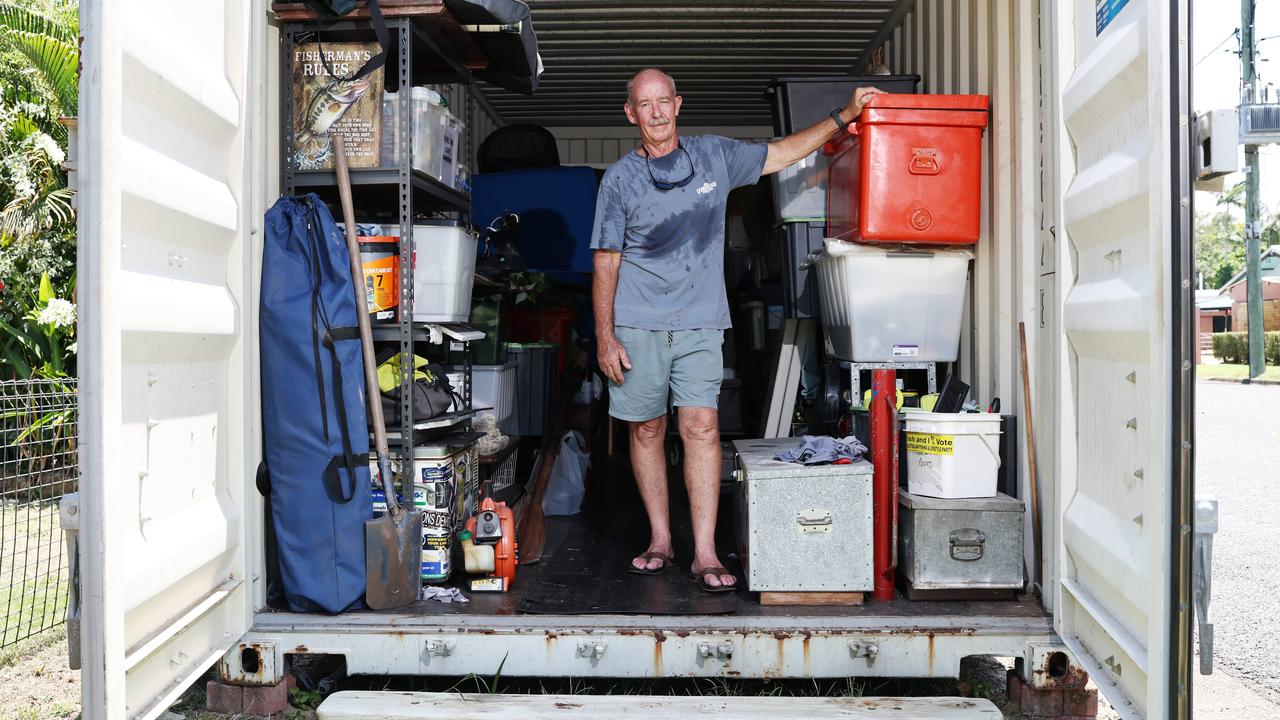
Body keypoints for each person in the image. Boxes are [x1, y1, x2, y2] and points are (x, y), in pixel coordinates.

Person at [591, 68, 881, 593]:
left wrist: (845, 116)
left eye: (664, 102)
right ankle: (661, 539)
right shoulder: (619, 181)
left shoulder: (715, 157)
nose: (656, 113)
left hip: (702, 320)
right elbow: (607, 261)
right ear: (631, 114)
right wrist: (605, 335)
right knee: (646, 428)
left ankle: (704, 551)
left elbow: (781, 154)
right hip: (638, 323)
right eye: (644, 105)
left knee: (701, 426)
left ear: (678, 105)